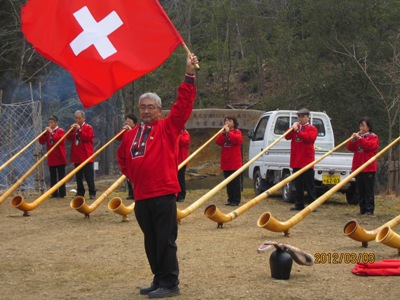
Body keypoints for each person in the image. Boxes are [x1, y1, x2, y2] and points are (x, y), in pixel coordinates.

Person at [117, 53, 198, 299]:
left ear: (159, 110)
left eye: (150, 107)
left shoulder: (167, 127)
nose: (146, 111)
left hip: (163, 192)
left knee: (165, 240)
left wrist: (189, 75)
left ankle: (170, 282)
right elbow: (122, 158)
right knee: (150, 241)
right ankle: (158, 277)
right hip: (141, 195)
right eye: (142, 107)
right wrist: (134, 176)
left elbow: (183, 105)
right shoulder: (131, 135)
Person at [285, 108, 318, 211]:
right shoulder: (295, 128)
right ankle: (299, 204)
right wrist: (292, 128)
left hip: (307, 161)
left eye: (303, 116)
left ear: (308, 117)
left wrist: (298, 131)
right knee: (297, 185)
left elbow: (309, 139)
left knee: (309, 185)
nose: (301, 118)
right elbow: (287, 137)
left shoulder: (312, 128)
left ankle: (313, 205)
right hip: (296, 161)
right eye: (299, 116)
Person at [346, 117, 379, 215]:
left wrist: (360, 139)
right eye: (360, 125)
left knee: (368, 190)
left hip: (368, 168)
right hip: (358, 167)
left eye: (363, 125)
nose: (361, 128)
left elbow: (369, 147)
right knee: (360, 190)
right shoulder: (359, 137)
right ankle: (362, 208)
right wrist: (353, 140)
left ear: (368, 127)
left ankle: (369, 209)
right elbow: (349, 147)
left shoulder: (373, 137)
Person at [67, 110, 96, 199]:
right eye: (76, 118)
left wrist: (79, 129)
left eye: (79, 118)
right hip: (77, 156)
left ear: (84, 118)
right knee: (78, 177)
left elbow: (86, 138)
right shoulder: (74, 128)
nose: (77, 120)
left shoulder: (88, 127)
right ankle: (80, 191)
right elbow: (69, 137)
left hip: (86, 156)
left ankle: (92, 192)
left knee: (89, 176)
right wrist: (71, 130)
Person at [215, 116, 243, 206]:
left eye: (230, 121)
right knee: (228, 182)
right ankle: (230, 199)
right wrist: (223, 134)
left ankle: (236, 200)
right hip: (226, 161)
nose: (227, 122)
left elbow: (237, 140)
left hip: (235, 162)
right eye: (226, 120)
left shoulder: (237, 132)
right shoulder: (224, 132)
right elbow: (218, 142)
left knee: (235, 182)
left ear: (234, 123)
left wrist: (228, 133)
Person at [38, 115, 67, 198]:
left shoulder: (60, 131)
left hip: (60, 156)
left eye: (52, 122)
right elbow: (41, 141)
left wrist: (51, 132)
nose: (50, 124)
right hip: (51, 157)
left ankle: (62, 193)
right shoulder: (48, 132)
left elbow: (58, 140)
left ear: (56, 123)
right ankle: (54, 192)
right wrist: (44, 134)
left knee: (61, 176)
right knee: (53, 176)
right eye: (49, 122)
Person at [116, 113, 138, 200]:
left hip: (134, 155)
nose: (127, 123)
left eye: (129, 121)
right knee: (128, 175)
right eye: (126, 121)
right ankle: (131, 193)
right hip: (126, 155)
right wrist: (124, 130)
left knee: (134, 175)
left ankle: (136, 192)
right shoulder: (125, 130)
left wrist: (129, 131)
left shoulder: (137, 130)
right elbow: (118, 138)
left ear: (134, 123)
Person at [176, 128, 190, 202]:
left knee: (180, 178)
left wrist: (178, 133)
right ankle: (175, 195)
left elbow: (183, 142)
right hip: (173, 160)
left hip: (182, 160)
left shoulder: (185, 133)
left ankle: (181, 195)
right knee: (174, 178)